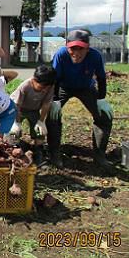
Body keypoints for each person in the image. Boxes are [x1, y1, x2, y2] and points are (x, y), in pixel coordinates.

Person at [46, 30, 113, 168]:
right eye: (73, 49)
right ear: (67, 47)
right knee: (52, 115)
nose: (76, 53)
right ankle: (54, 154)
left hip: (86, 87)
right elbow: (54, 79)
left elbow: (101, 77)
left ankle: (100, 156)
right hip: (63, 87)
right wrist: (55, 100)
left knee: (104, 117)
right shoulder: (61, 54)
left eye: (81, 49)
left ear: (87, 48)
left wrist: (101, 99)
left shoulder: (95, 56)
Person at [10, 65, 56, 165]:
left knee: (39, 131)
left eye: (47, 87)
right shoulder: (25, 86)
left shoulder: (49, 86)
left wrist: (41, 121)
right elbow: (17, 105)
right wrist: (16, 122)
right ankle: (13, 148)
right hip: (18, 109)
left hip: (34, 109)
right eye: (42, 87)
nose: (44, 90)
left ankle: (38, 150)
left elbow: (46, 103)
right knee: (13, 132)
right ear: (34, 80)